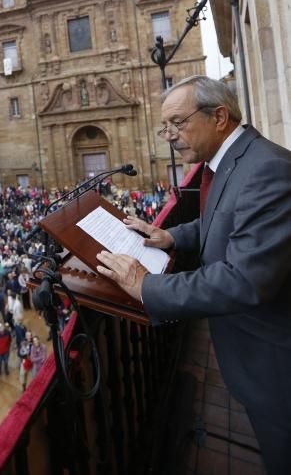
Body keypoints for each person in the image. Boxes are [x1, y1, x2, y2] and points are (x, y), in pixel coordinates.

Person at [96, 75, 291, 475]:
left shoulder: (267, 169)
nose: (169, 135)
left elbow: (244, 279)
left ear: (219, 117)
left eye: (177, 123)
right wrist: (172, 235)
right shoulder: (233, 161)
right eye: (164, 126)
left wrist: (147, 285)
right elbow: (223, 220)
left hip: (276, 371)